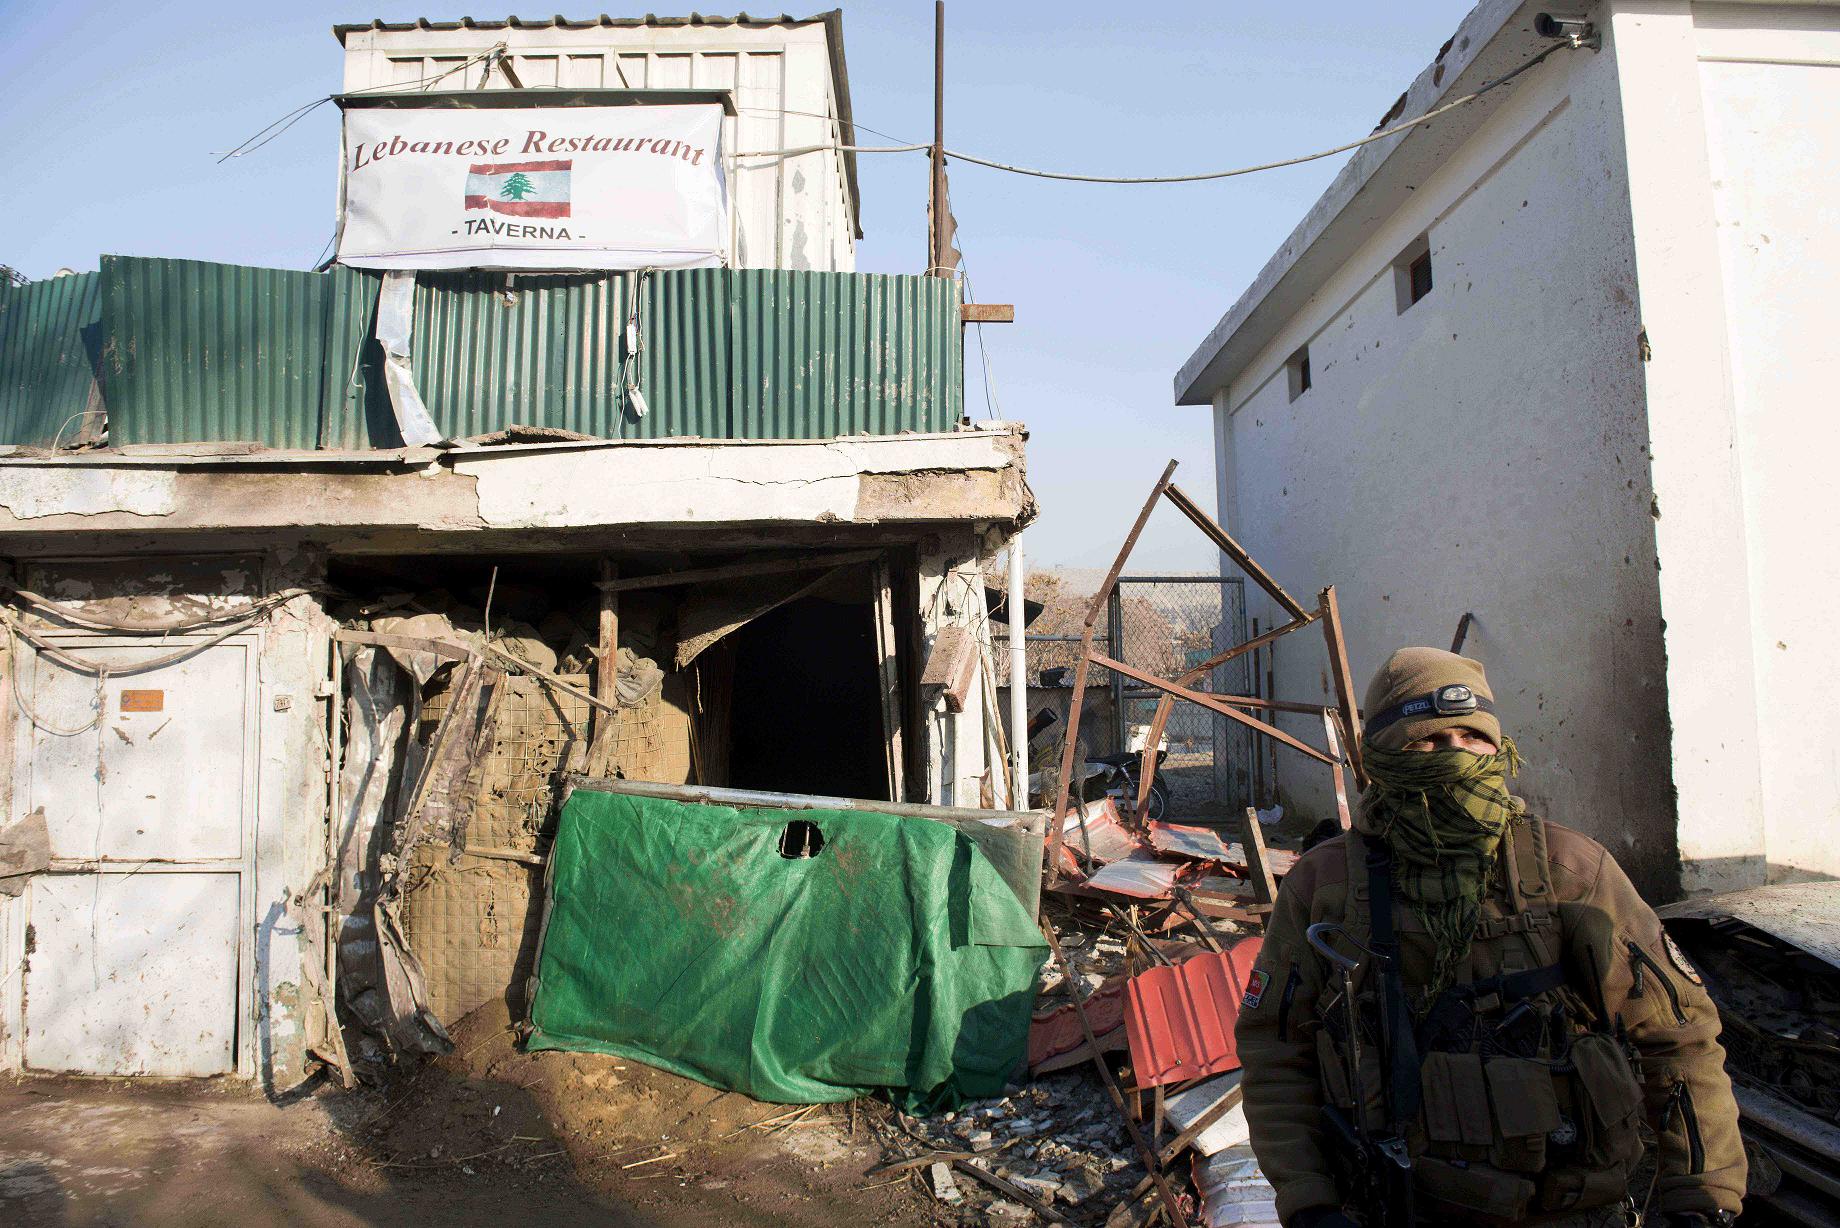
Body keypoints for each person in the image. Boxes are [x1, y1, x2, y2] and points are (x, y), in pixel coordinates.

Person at [1235, 647, 1745, 1227]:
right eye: (1427, 740)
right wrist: (1308, 1200)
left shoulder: (1571, 871)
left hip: (1564, 1209)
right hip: (1395, 1207)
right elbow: (1276, 1052)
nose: (1454, 755)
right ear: (1382, 754)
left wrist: (1704, 1196)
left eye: (1472, 737)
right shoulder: (1327, 884)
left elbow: (1680, 1039)